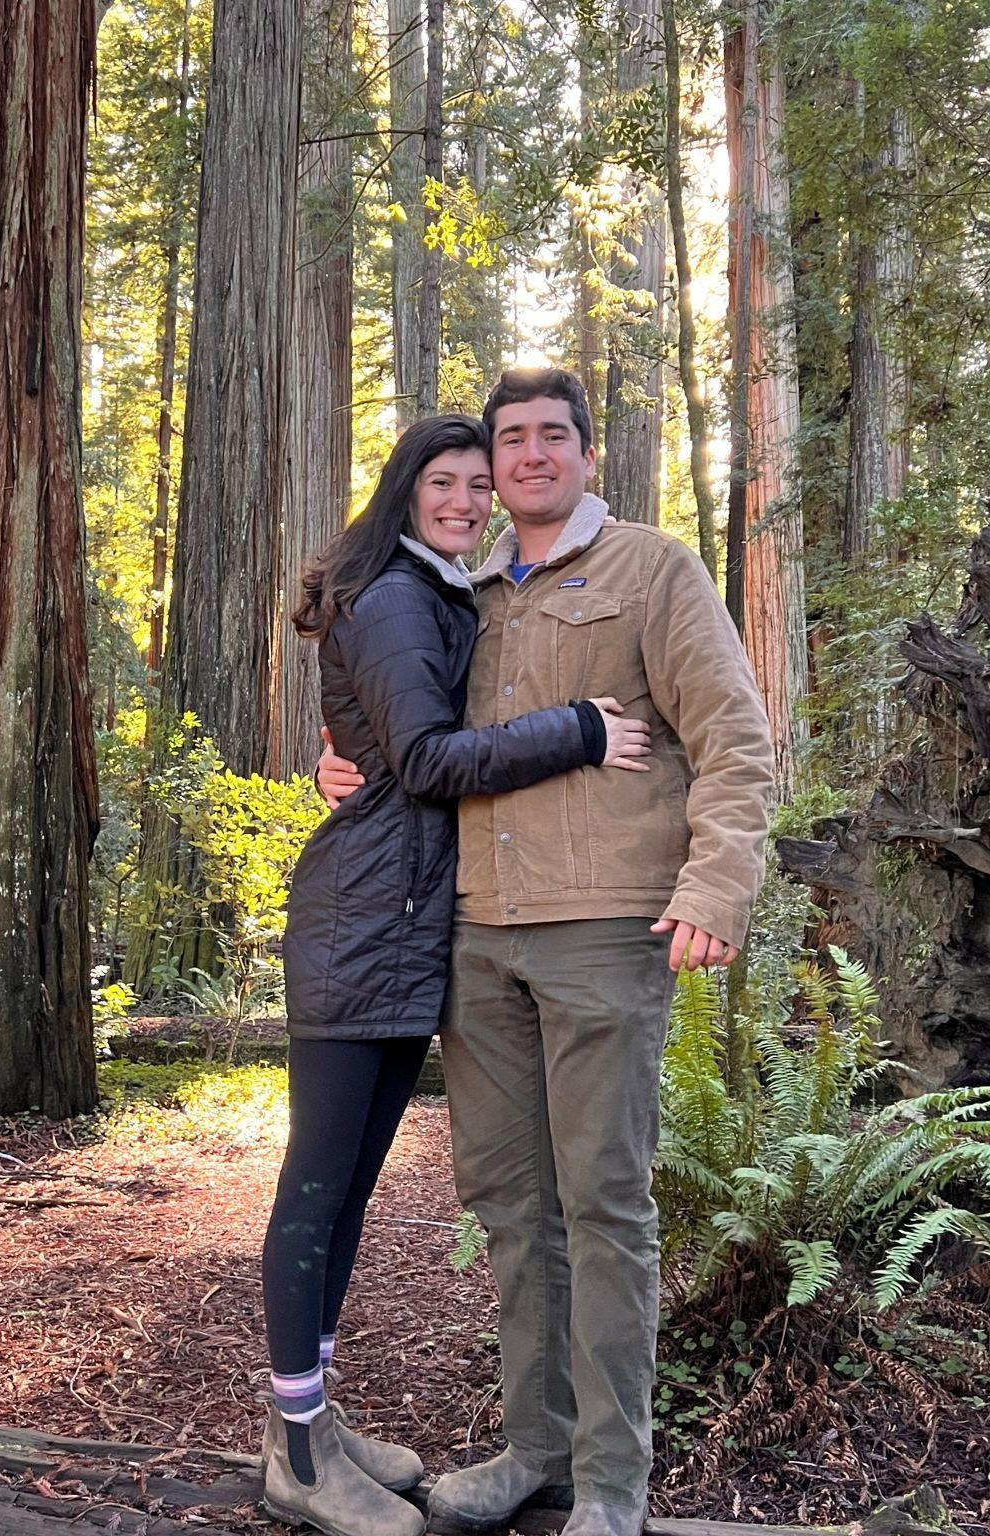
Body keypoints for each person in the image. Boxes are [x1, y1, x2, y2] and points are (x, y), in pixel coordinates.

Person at [317, 369, 775, 1536]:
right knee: (513, 1206)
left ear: (585, 453)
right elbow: (420, 736)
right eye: (508, 438)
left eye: (549, 436)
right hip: (477, 933)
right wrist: (343, 762)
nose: (527, 455)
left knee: (605, 1203)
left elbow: (734, 734)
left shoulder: (651, 569)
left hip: (606, 928)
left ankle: (613, 1484)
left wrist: (717, 885)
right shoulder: (462, 588)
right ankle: (539, 1453)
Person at [261, 411, 653, 1536]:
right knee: (316, 1190)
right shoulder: (397, 594)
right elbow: (430, 761)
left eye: (479, 485)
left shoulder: (444, 593)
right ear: (406, 488)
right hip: (359, 928)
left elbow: (395, 739)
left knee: (346, 1192)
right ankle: (296, 1452)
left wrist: (349, 752)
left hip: (402, 930)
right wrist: (580, 729)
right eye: (444, 481)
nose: (467, 500)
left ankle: (311, 1422)